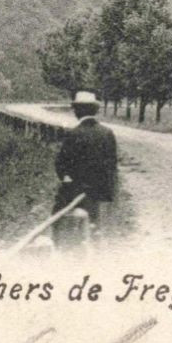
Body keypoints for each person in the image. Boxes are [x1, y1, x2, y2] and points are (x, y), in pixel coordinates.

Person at [53, 89, 118, 236]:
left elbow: (61, 164)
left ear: (78, 111)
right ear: (94, 110)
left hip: (76, 191)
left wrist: (66, 179)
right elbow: (112, 166)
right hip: (100, 192)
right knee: (95, 226)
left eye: (75, 108)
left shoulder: (73, 134)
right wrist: (108, 191)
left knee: (57, 219)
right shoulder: (107, 133)